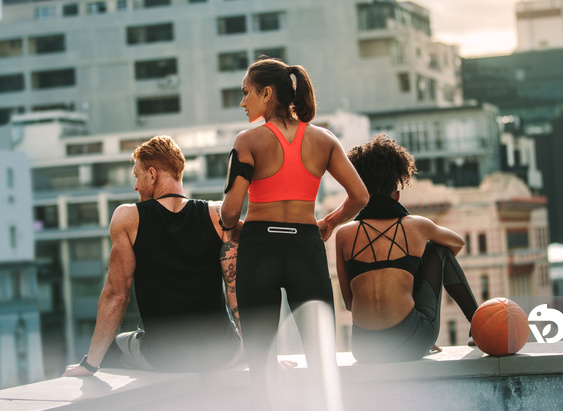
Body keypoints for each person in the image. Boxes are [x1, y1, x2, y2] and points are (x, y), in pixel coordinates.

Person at [219, 57, 368, 407]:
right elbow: (360, 196)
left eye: (246, 93)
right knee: (321, 361)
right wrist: (330, 222)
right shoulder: (324, 139)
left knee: (261, 362)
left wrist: (234, 227)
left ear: (267, 93)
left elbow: (228, 211)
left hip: (259, 247)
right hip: (305, 246)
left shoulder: (248, 141)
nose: (242, 102)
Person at [62, 136, 242, 376]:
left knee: (112, 350)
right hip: (222, 353)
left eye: (136, 175)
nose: (135, 186)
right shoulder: (217, 215)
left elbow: (116, 296)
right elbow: (236, 291)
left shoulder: (128, 219)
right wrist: (262, 354)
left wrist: (89, 365)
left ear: (152, 174)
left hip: (165, 358)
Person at [335, 135, 479, 363]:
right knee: (438, 249)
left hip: (364, 349)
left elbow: (350, 303)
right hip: (411, 341)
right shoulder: (418, 226)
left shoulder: (343, 234)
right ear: (397, 194)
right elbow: (456, 242)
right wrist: (415, 272)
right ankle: (478, 327)